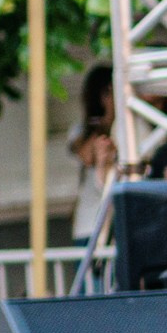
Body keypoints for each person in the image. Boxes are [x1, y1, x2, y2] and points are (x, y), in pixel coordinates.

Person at [70, 65, 117, 244]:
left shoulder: (123, 127)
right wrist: (106, 118)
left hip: (113, 220)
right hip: (88, 221)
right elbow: (86, 155)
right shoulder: (79, 131)